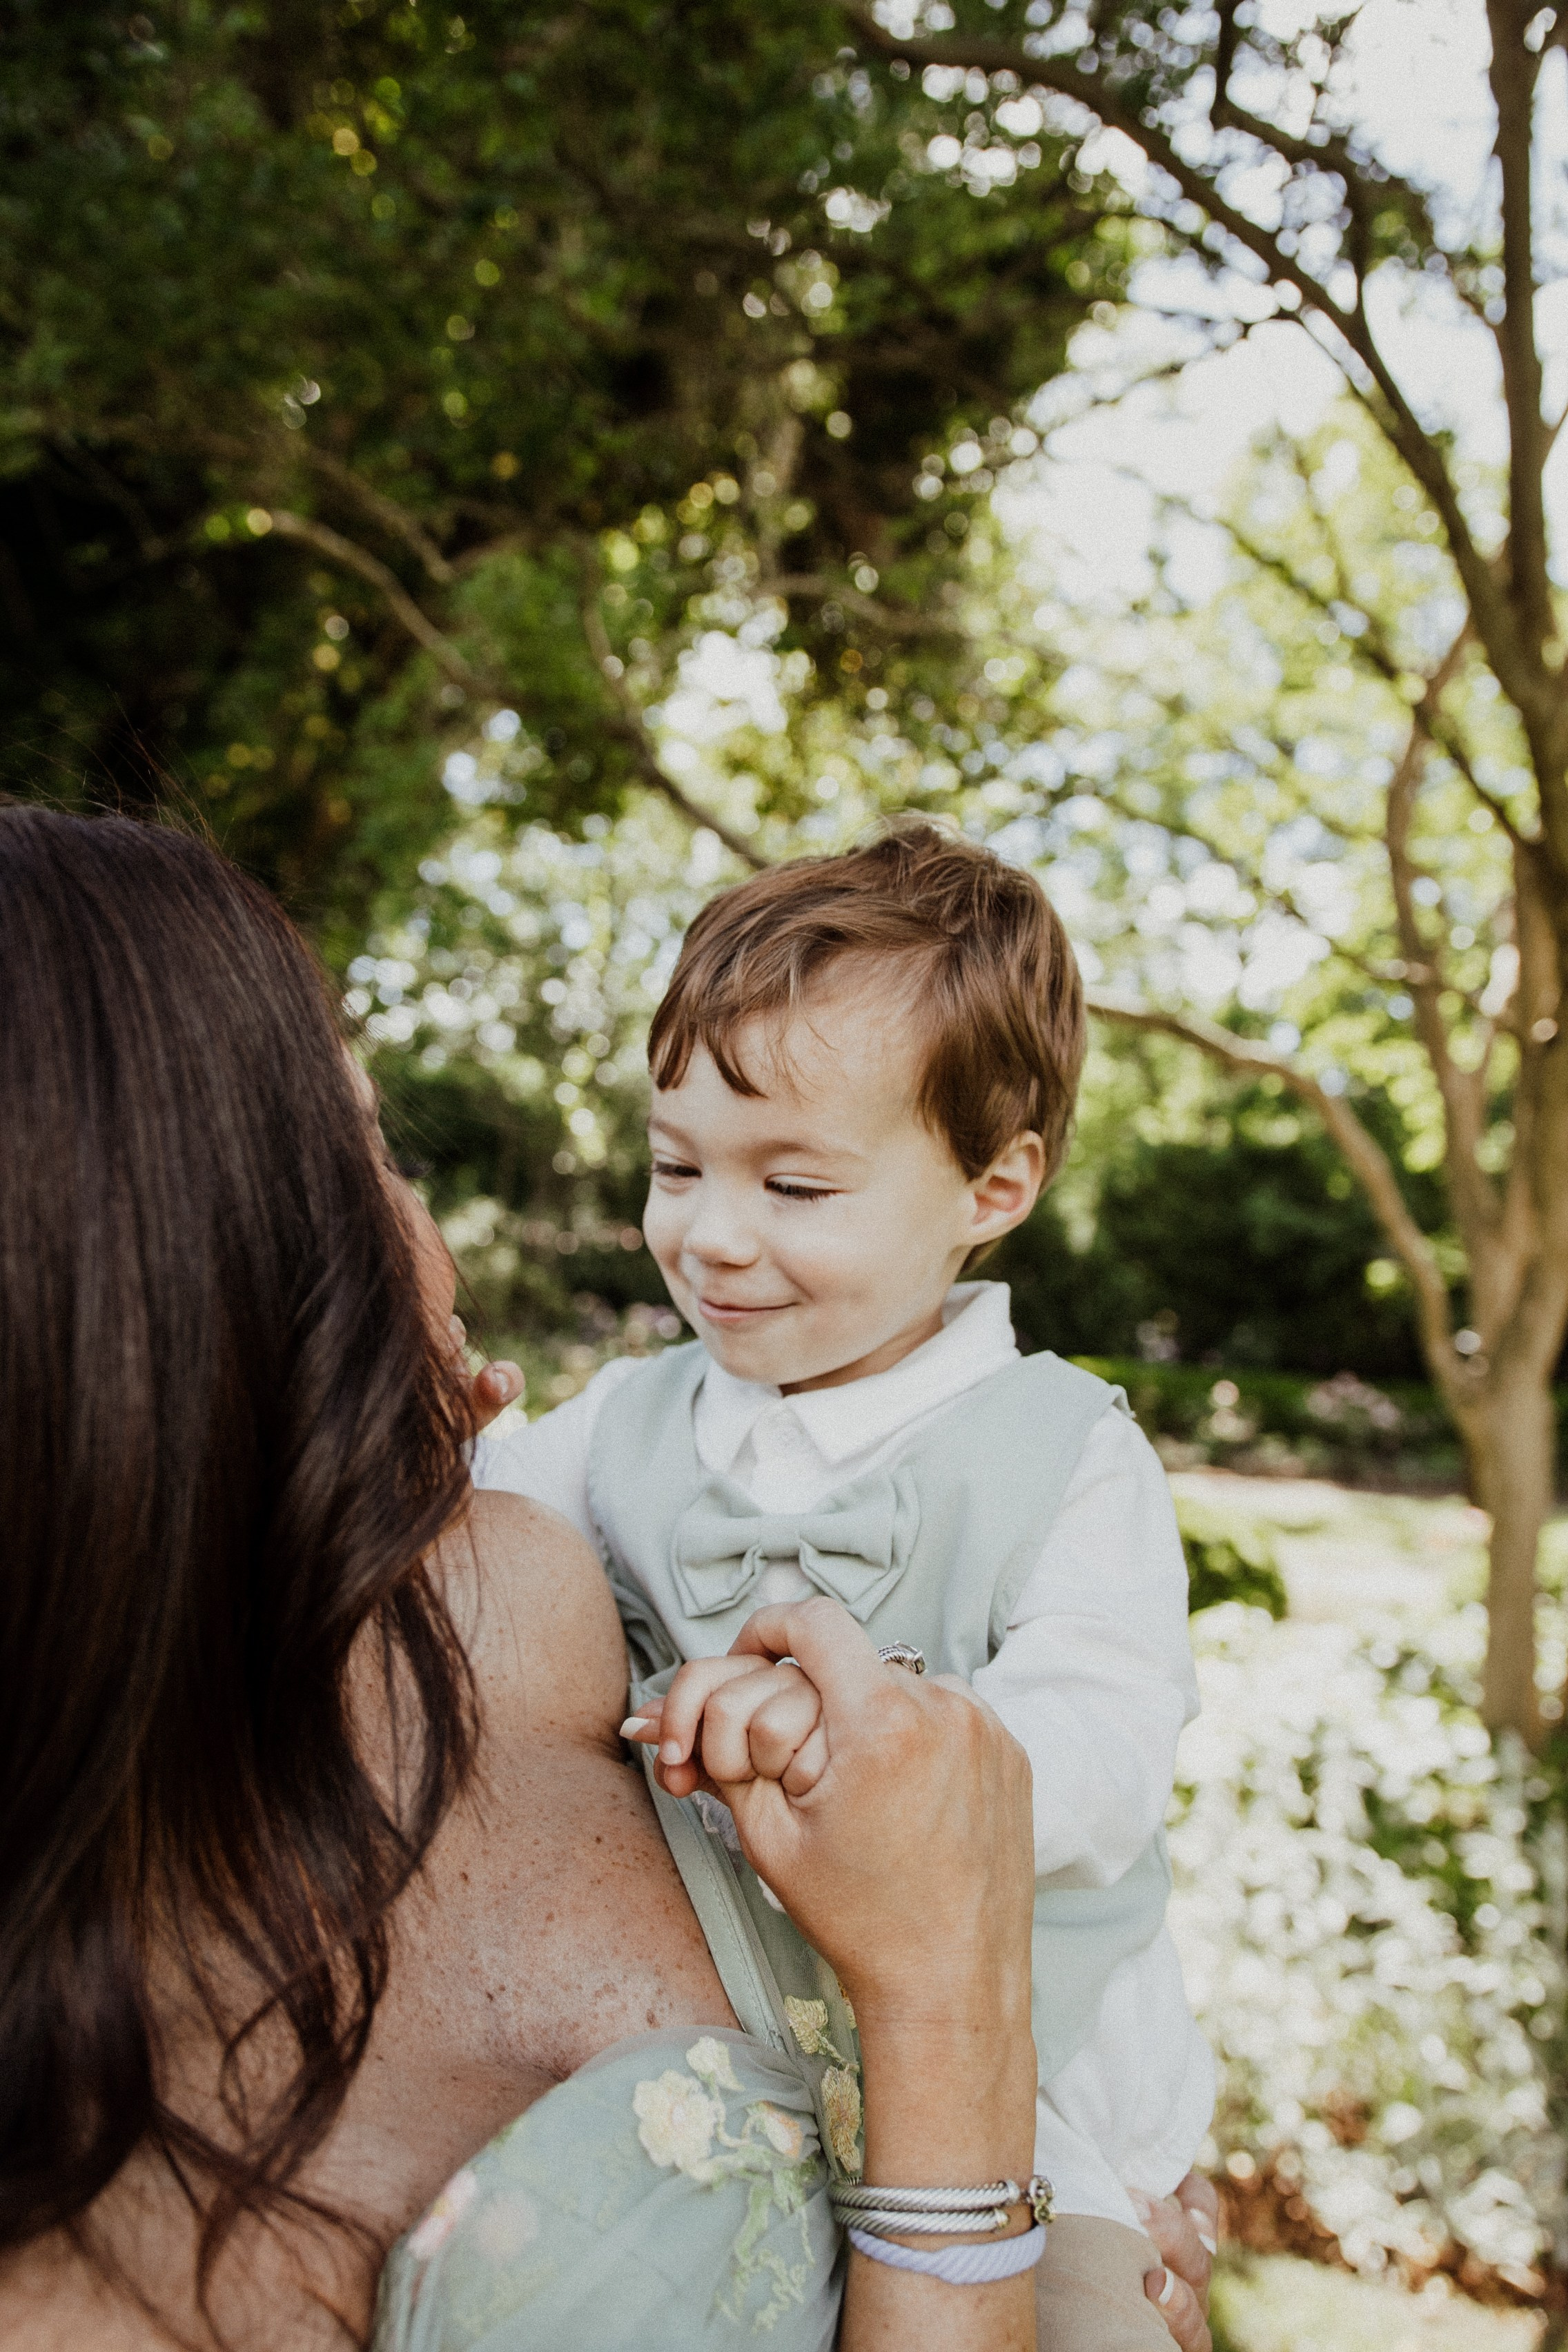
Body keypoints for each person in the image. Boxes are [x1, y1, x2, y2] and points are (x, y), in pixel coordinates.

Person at [0, 803, 1079, 2352]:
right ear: (190, 1285)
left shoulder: (515, 1606)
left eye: (794, 1186)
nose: (430, 1244)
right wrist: (951, 2032)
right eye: (368, 1153)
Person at [477, 819, 1217, 2351]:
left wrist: (860, 1740)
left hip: (1015, 2081)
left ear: (991, 1187)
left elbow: (1101, 1739)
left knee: (1083, 2323)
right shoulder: (624, 1422)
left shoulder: (1059, 1452)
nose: (708, 1235)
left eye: (794, 1187)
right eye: (676, 1166)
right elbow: (466, 1541)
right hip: (698, 2049)